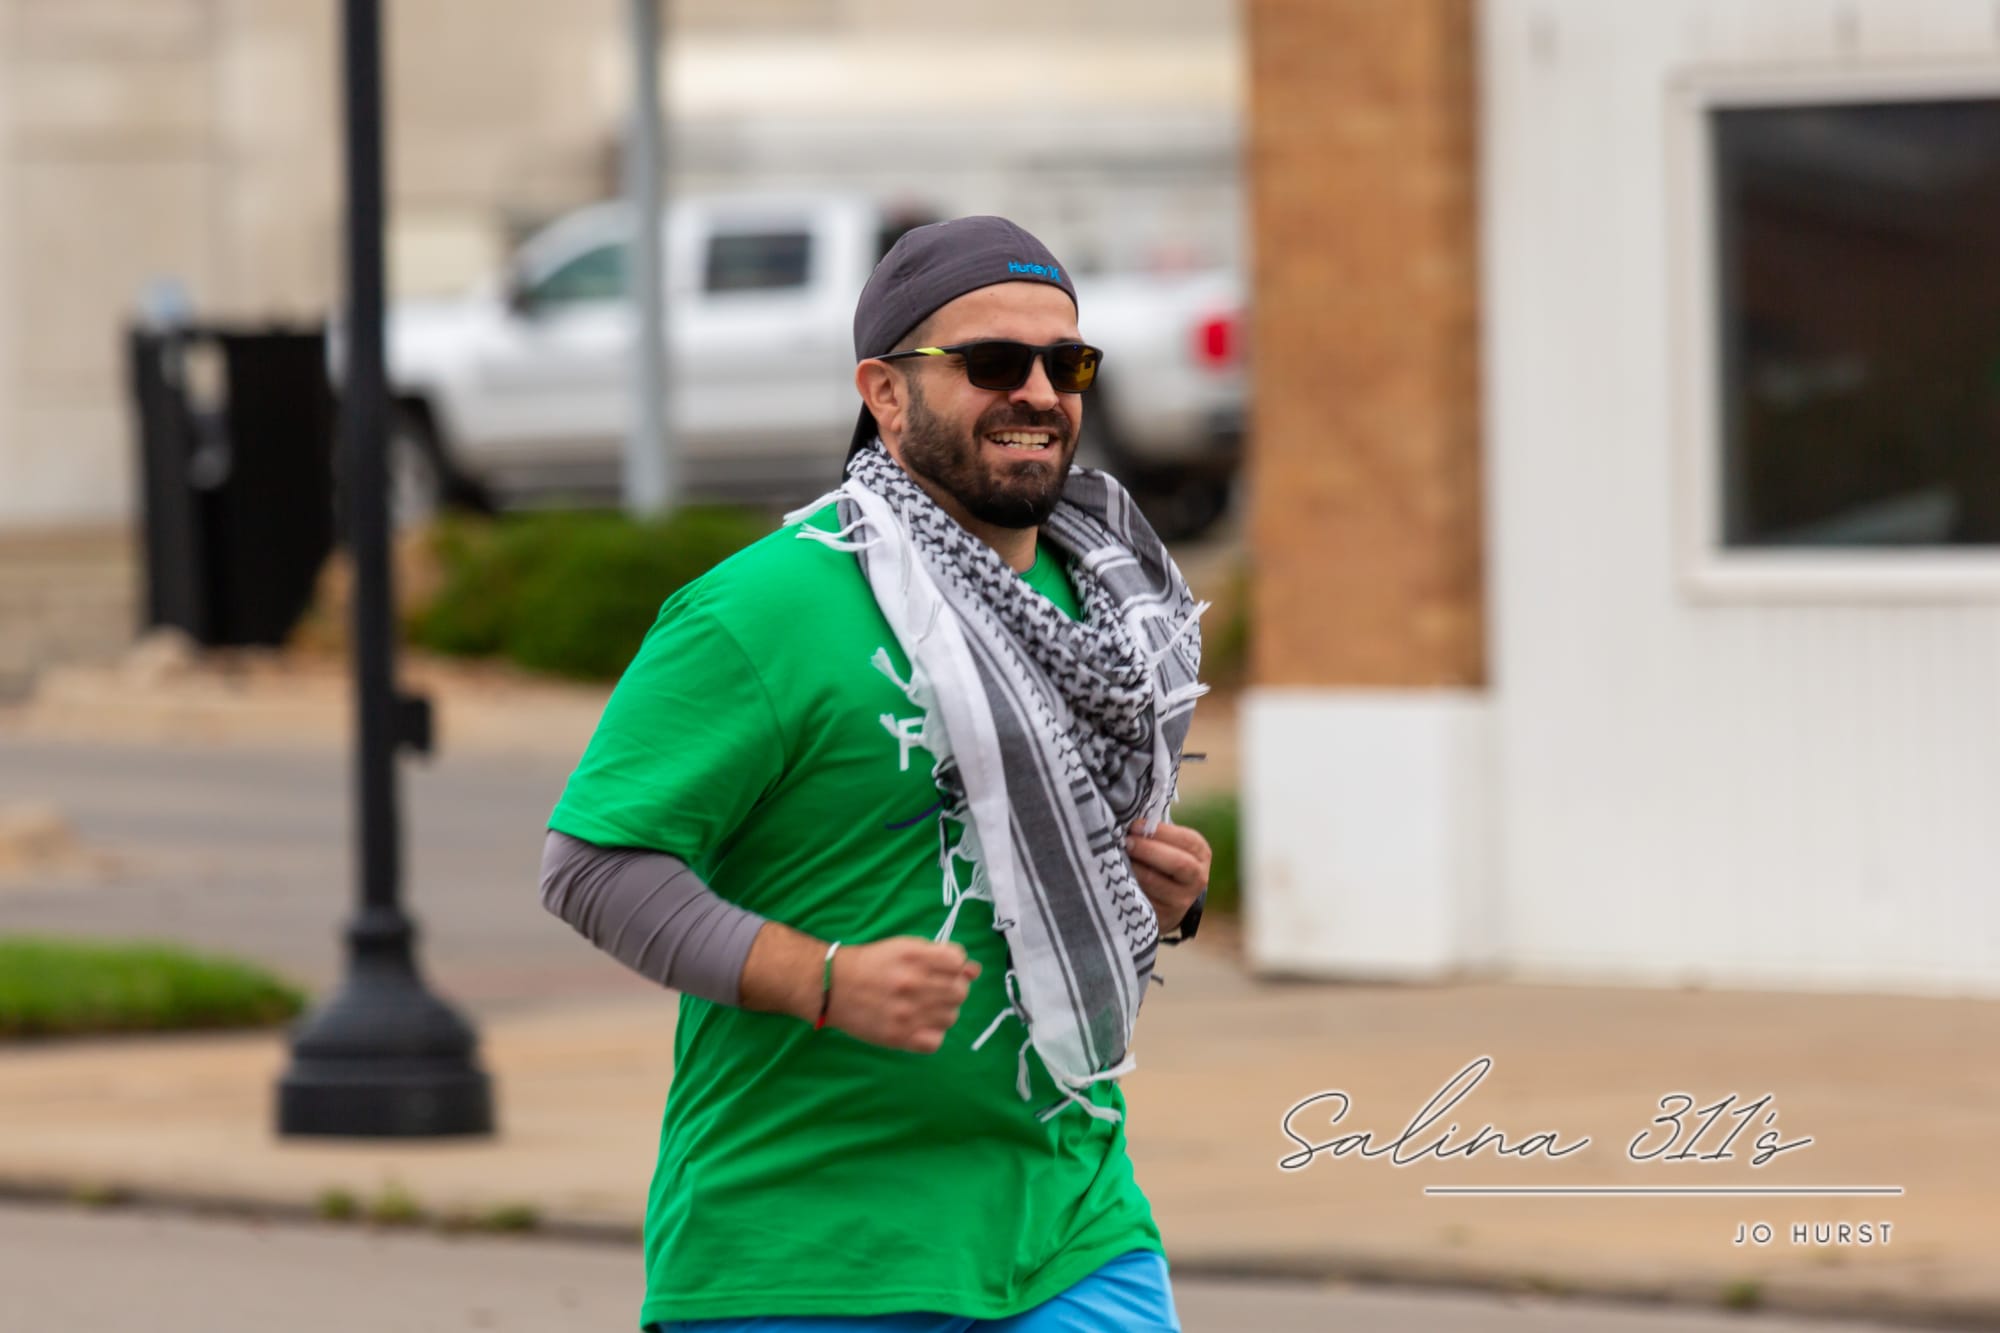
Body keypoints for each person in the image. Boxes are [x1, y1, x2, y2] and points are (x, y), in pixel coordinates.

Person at [541, 215, 1213, 1332]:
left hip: (1070, 1229)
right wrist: (821, 977)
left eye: (1066, 362)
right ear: (885, 393)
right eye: (992, 361)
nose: (1038, 392)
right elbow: (594, 866)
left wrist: (1168, 898)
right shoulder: (762, 610)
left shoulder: (1112, 612)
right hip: (805, 1254)